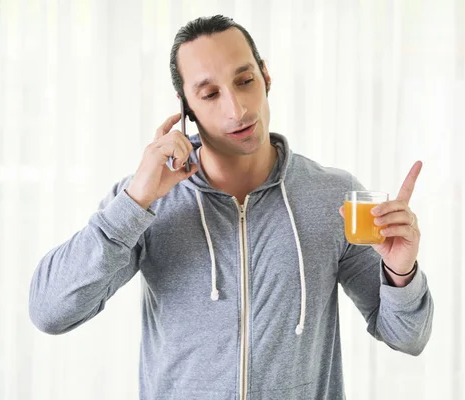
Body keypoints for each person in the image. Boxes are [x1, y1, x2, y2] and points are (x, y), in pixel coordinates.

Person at [29, 15, 433, 400]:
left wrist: (401, 273)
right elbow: (50, 312)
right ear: (185, 106)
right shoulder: (147, 201)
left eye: (245, 81)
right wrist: (135, 202)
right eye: (209, 94)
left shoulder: (333, 196)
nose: (237, 109)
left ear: (266, 76)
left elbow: (406, 336)